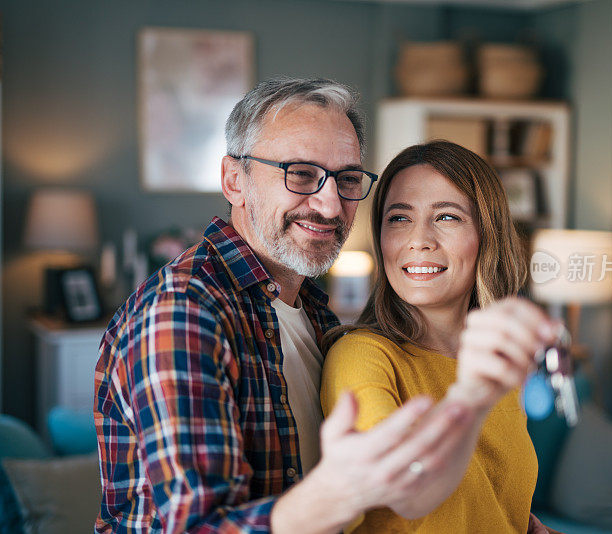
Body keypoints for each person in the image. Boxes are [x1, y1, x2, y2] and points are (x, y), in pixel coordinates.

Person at [93, 79, 493, 533]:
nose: (328, 204)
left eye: (346, 179)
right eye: (300, 173)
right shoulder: (183, 312)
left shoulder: (312, 311)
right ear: (234, 180)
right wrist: (340, 493)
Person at [321, 140, 562, 533]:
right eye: (398, 218)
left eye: (447, 217)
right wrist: (470, 398)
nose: (419, 240)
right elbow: (406, 491)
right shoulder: (361, 355)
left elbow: (491, 504)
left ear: (487, 234)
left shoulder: (496, 363)